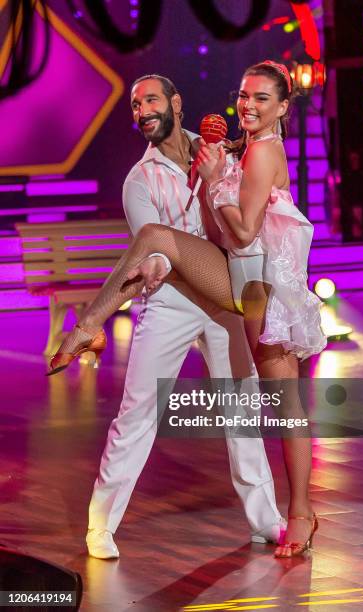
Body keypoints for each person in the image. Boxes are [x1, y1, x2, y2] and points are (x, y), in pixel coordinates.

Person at [49, 62, 326, 557]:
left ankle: (276, 519)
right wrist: (157, 261)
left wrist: (216, 178)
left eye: (152, 100)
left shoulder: (225, 153)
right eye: (135, 105)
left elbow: (236, 232)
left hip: (235, 287)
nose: (143, 111)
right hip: (176, 294)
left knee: (247, 413)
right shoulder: (141, 179)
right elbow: (154, 245)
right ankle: (101, 525)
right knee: (139, 412)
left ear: (176, 105)